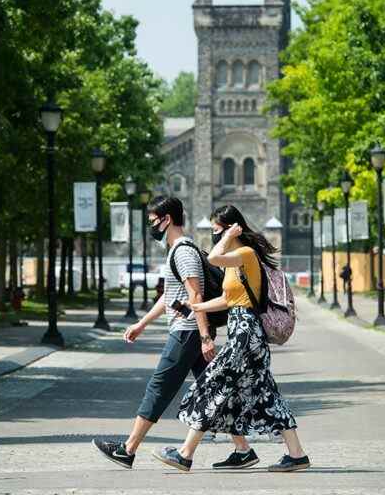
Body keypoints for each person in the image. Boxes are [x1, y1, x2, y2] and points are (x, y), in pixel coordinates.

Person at [153, 205, 310, 473]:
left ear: (231, 228)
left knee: (215, 385)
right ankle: (293, 454)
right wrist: (196, 308)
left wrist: (226, 238)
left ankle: (185, 453)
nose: (214, 235)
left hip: (246, 333)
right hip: (244, 330)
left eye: (217, 230)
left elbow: (213, 258)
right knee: (265, 394)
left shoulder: (245, 254)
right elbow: (229, 299)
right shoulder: (235, 261)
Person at [91, 196, 216, 469]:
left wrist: (205, 336)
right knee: (212, 389)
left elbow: (196, 294)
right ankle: (243, 448)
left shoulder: (183, 251)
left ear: (166, 219)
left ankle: (128, 449)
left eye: (152, 221)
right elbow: (171, 296)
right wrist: (142, 323)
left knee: (158, 388)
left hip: (187, 331)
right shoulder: (177, 250)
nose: (151, 227)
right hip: (189, 330)